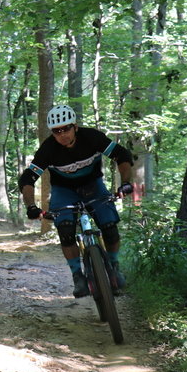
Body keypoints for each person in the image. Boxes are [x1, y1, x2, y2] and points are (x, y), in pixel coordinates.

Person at [18, 104, 134, 298]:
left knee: (109, 225)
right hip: (64, 191)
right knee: (65, 229)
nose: (62, 134)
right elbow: (27, 178)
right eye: (57, 131)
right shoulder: (48, 149)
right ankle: (77, 276)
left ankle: (114, 266)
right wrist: (31, 206)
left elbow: (121, 154)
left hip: (93, 186)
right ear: (52, 133)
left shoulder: (92, 138)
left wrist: (126, 183)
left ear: (75, 126)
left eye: (66, 128)